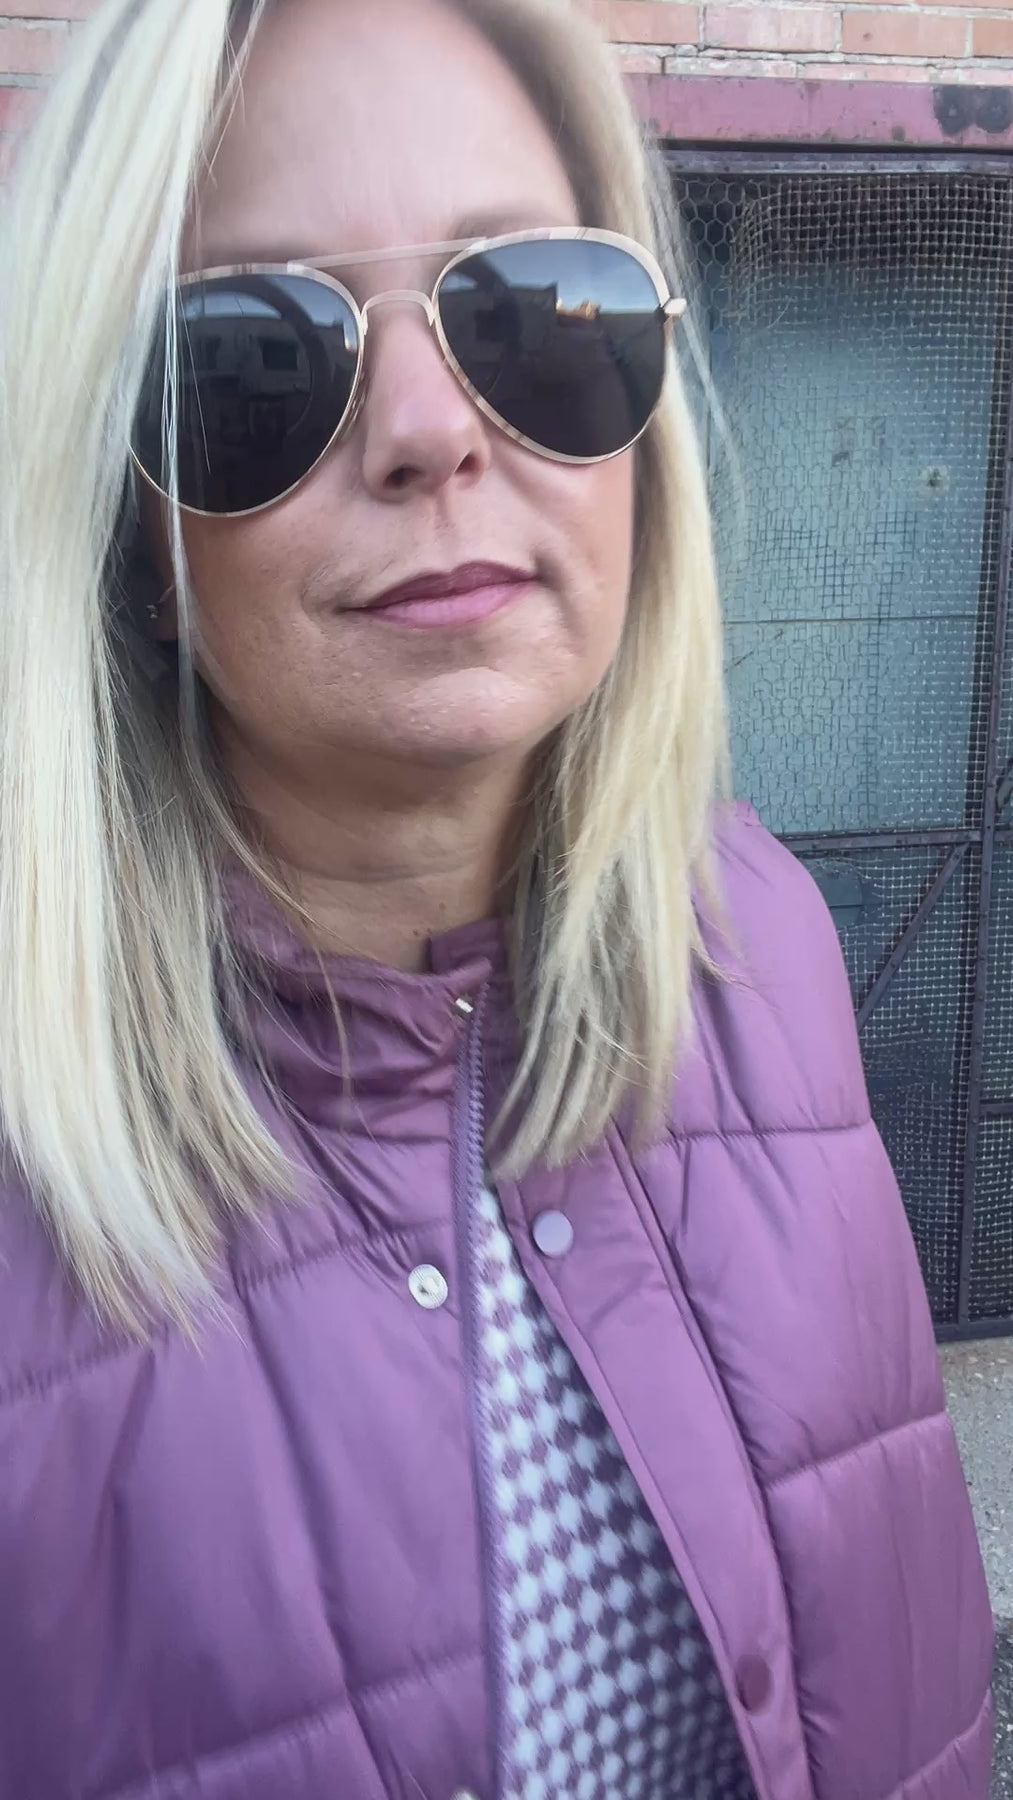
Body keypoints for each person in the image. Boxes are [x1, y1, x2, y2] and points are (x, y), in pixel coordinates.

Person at [0, 0, 994, 1796]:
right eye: (253, 356)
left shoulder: (759, 939)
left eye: (535, 316)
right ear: (124, 529)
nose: (426, 431)